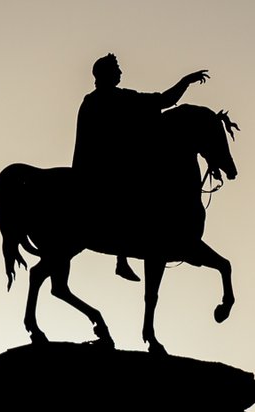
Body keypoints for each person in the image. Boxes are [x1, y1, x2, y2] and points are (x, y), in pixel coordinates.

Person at [72, 54, 209, 280]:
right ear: (107, 73)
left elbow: (158, 105)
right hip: (104, 170)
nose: (121, 73)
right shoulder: (113, 99)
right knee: (144, 189)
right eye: (117, 69)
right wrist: (186, 81)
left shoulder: (99, 99)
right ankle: (131, 253)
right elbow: (163, 101)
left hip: (103, 166)